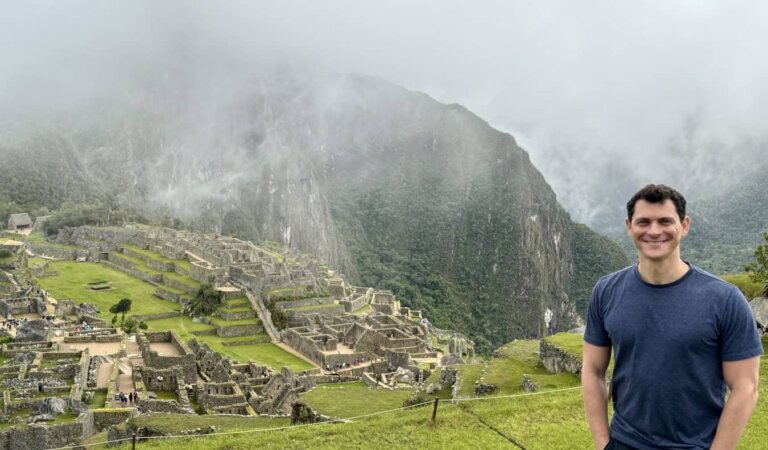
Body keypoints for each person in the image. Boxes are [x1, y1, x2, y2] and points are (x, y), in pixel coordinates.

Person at [582, 184, 762, 450]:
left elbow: (746, 387)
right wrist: (602, 442)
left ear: (684, 225)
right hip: (624, 442)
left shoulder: (725, 299)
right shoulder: (606, 291)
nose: (654, 231)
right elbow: (593, 370)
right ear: (629, 226)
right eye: (644, 222)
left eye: (665, 221)